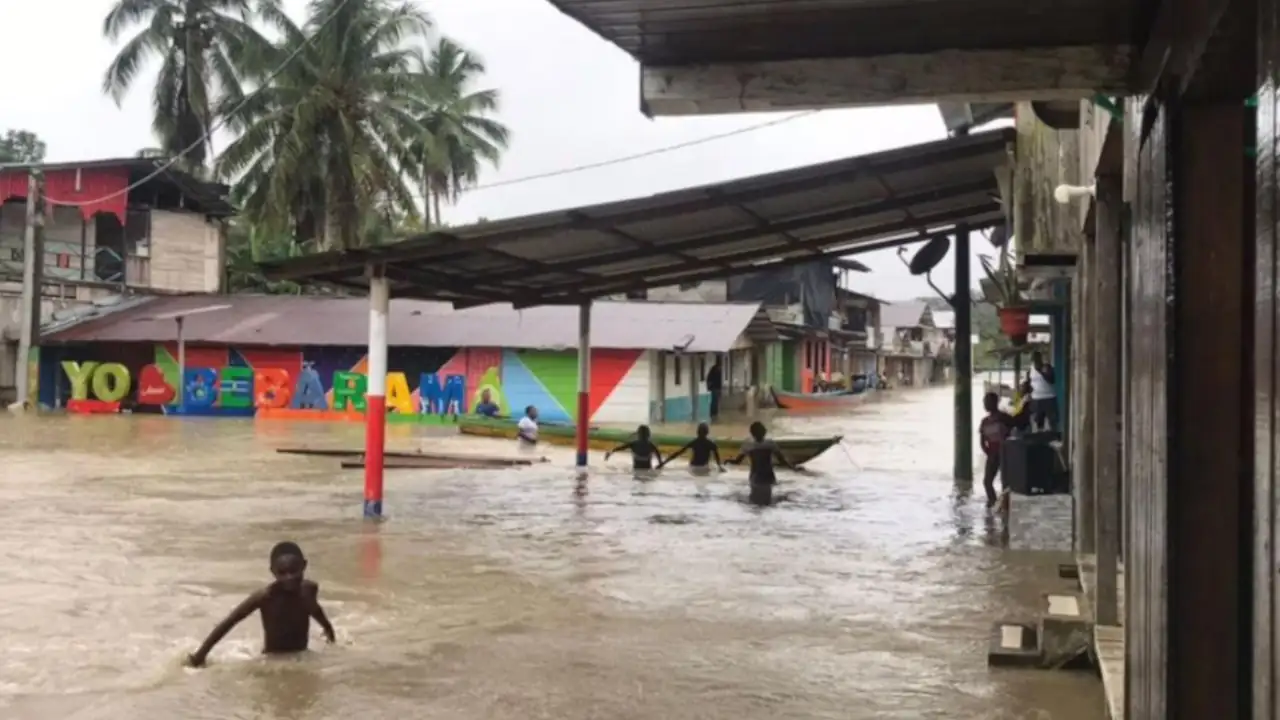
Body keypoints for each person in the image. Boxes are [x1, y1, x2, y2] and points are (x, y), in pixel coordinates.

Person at [187, 542, 335, 667]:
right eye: (282, 573)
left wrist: (329, 631)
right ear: (273, 572)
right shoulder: (266, 597)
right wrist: (200, 655)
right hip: (273, 662)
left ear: (304, 565)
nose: (288, 577)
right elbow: (230, 622)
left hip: (302, 658)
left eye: (293, 571)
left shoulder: (309, 589)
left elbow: (314, 609)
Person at [726, 421, 800, 506]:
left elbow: (737, 461)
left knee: (754, 500)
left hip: (756, 476)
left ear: (752, 433)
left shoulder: (748, 444)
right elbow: (781, 460)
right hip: (767, 476)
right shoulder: (770, 443)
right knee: (767, 501)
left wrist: (728, 461)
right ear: (764, 432)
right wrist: (792, 467)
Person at [978, 392, 1015, 509]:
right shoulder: (985, 421)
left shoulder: (1004, 418)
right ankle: (993, 503)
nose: (986, 404)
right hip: (992, 454)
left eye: (988, 402)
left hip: (1005, 453)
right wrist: (987, 452)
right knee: (987, 482)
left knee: (1006, 482)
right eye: (985, 402)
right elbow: (982, 440)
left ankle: (1005, 505)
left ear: (995, 403)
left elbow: (1014, 430)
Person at [658, 422, 725, 471]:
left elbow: (678, 453)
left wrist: (664, 463)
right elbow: (718, 461)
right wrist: (720, 467)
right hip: (703, 467)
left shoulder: (695, 442)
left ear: (697, 432)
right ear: (707, 432)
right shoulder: (710, 444)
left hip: (694, 467)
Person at [1029, 351, 1058, 430]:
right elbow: (1029, 382)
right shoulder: (1031, 369)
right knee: (1038, 422)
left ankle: (1054, 436)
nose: (1035, 361)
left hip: (1049, 397)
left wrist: (1040, 371)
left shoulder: (1047, 367)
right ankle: (1039, 438)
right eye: (1034, 360)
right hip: (1036, 398)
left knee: (1052, 421)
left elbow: (1052, 380)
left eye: (1037, 359)